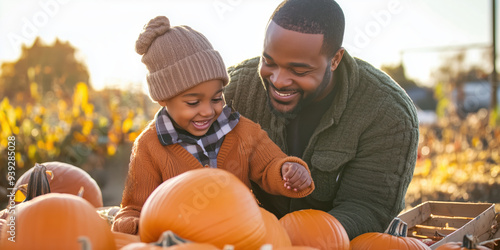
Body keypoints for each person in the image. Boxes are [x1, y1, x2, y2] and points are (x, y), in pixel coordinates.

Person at [223, 0, 419, 239]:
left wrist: (295, 238)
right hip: (239, 233)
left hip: (327, 241)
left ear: (335, 60)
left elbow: (367, 207)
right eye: (269, 62)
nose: (279, 80)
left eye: (299, 71)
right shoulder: (233, 90)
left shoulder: (387, 113)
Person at [111, 16, 314, 235]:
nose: (208, 111)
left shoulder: (241, 131)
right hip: (183, 239)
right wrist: (132, 224)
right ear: (163, 99)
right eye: (193, 102)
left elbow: (269, 165)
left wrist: (288, 171)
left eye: (217, 98)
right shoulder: (150, 146)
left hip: (242, 233)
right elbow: (134, 207)